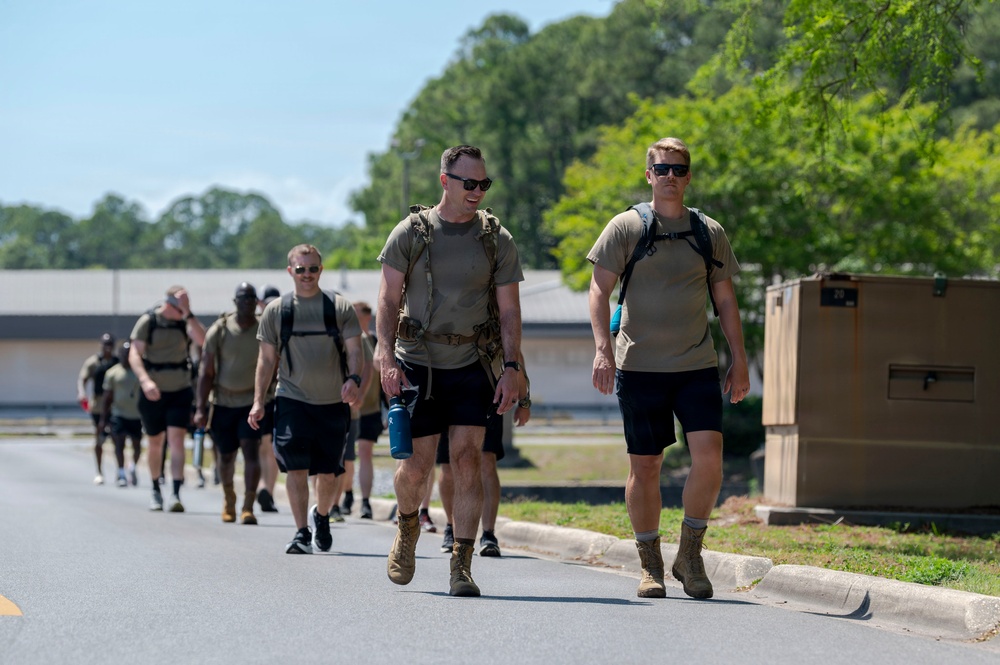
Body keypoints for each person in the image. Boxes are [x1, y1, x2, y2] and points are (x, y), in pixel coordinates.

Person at [587, 137, 750, 600]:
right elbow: (599, 291)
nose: (671, 177)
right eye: (662, 169)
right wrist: (603, 349)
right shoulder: (625, 228)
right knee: (647, 466)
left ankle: (690, 554)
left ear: (689, 175)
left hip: (696, 365)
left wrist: (738, 359)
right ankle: (651, 564)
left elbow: (725, 300)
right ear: (649, 175)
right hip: (638, 367)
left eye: (679, 169)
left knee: (710, 461)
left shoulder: (708, 232)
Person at [377, 144, 524, 597]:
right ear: (445, 181)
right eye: (469, 183)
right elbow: (385, 299)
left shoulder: (496, 239)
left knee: (467, 461)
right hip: (418, 362)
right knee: (417, 468)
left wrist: (514, 368)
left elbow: (509, 312)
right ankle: (407, 527)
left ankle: (462, 563)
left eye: (484, 184)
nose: (477, 191)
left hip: (471, 364)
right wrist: (384, 355)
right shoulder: (411, 233)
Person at [249, 244, 365, 554]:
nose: (307, 275)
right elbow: (266, 360)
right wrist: (259, 400)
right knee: (296, 468)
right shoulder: (277, 311)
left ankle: (321, 514)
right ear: (290, 272)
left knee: (328, 473)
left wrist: (354, 379)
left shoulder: (338, 307)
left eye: (313, 268)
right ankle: (301, 532)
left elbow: (355, 350)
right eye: (301, 269)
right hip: (292, 399)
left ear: (321, 270)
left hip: (332, 402)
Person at [438, 360, 531, 556]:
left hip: (485, 388)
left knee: (487, 461)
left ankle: (488, 534)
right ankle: (450, 526)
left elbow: (515, 357)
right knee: (448, 466)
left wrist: (524, 400)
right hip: (444, 384)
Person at [129, 286, 207, 512]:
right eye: (180, 307)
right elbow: (135, 354)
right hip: (153, 391)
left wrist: (189, 314)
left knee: (176, 440)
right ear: (169, 304)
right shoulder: (149, 321)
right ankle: (155, 488)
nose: (183, 312)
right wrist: (145, 381)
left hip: (180, 390)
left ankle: (175, 493)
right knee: (155, 442)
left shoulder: (185, 322)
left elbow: (203, 341)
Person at [195, 283, 263, 525]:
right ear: (235, 302)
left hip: (250, 403)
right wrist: (201, 408)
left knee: (251, 452)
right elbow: (206, 371)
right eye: (243, 298)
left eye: (251, 298)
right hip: (223, 402)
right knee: (225, 457)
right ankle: (229, 499)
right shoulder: (220, 330)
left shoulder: (262, 328)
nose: (247, 302)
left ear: (256, 302)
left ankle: (248, 505)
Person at [339, 301, 383, 520]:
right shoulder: (346, 339)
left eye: (359, 315)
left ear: (368, 317)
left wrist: (363, 396)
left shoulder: (374, 341)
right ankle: (347, 494)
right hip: (348, 409)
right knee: (347, 456)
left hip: (370, 408)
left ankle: (365, 501)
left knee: (365, 452)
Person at [99, 341, 143, 487]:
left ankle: (133, 467)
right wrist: (103, 419)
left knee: (137, 445)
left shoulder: (140, 372)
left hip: (136, 415)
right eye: (123, 353)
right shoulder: (113, 373)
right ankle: (121, 473)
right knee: (119, 444)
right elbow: (107, 397)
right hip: (119, 414)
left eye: (129, 354)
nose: (126, 356)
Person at [77, 332, 119, 484]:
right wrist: (81, 393)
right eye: (104, 344)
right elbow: (82, 379)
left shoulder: (118, 362)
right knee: (99, 439)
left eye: (110, 344)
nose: (107, 348)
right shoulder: (93, 362)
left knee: (117, 438)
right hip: (98, 406)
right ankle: (99, 472)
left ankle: (120, 472)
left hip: (115, 406)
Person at [255, 285, 281, 513]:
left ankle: (267, 491)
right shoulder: (250, 324)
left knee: (268, 447)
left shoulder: (283, 323)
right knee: (260, 447)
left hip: (274, 395)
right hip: (251, 395)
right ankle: (261, 489)